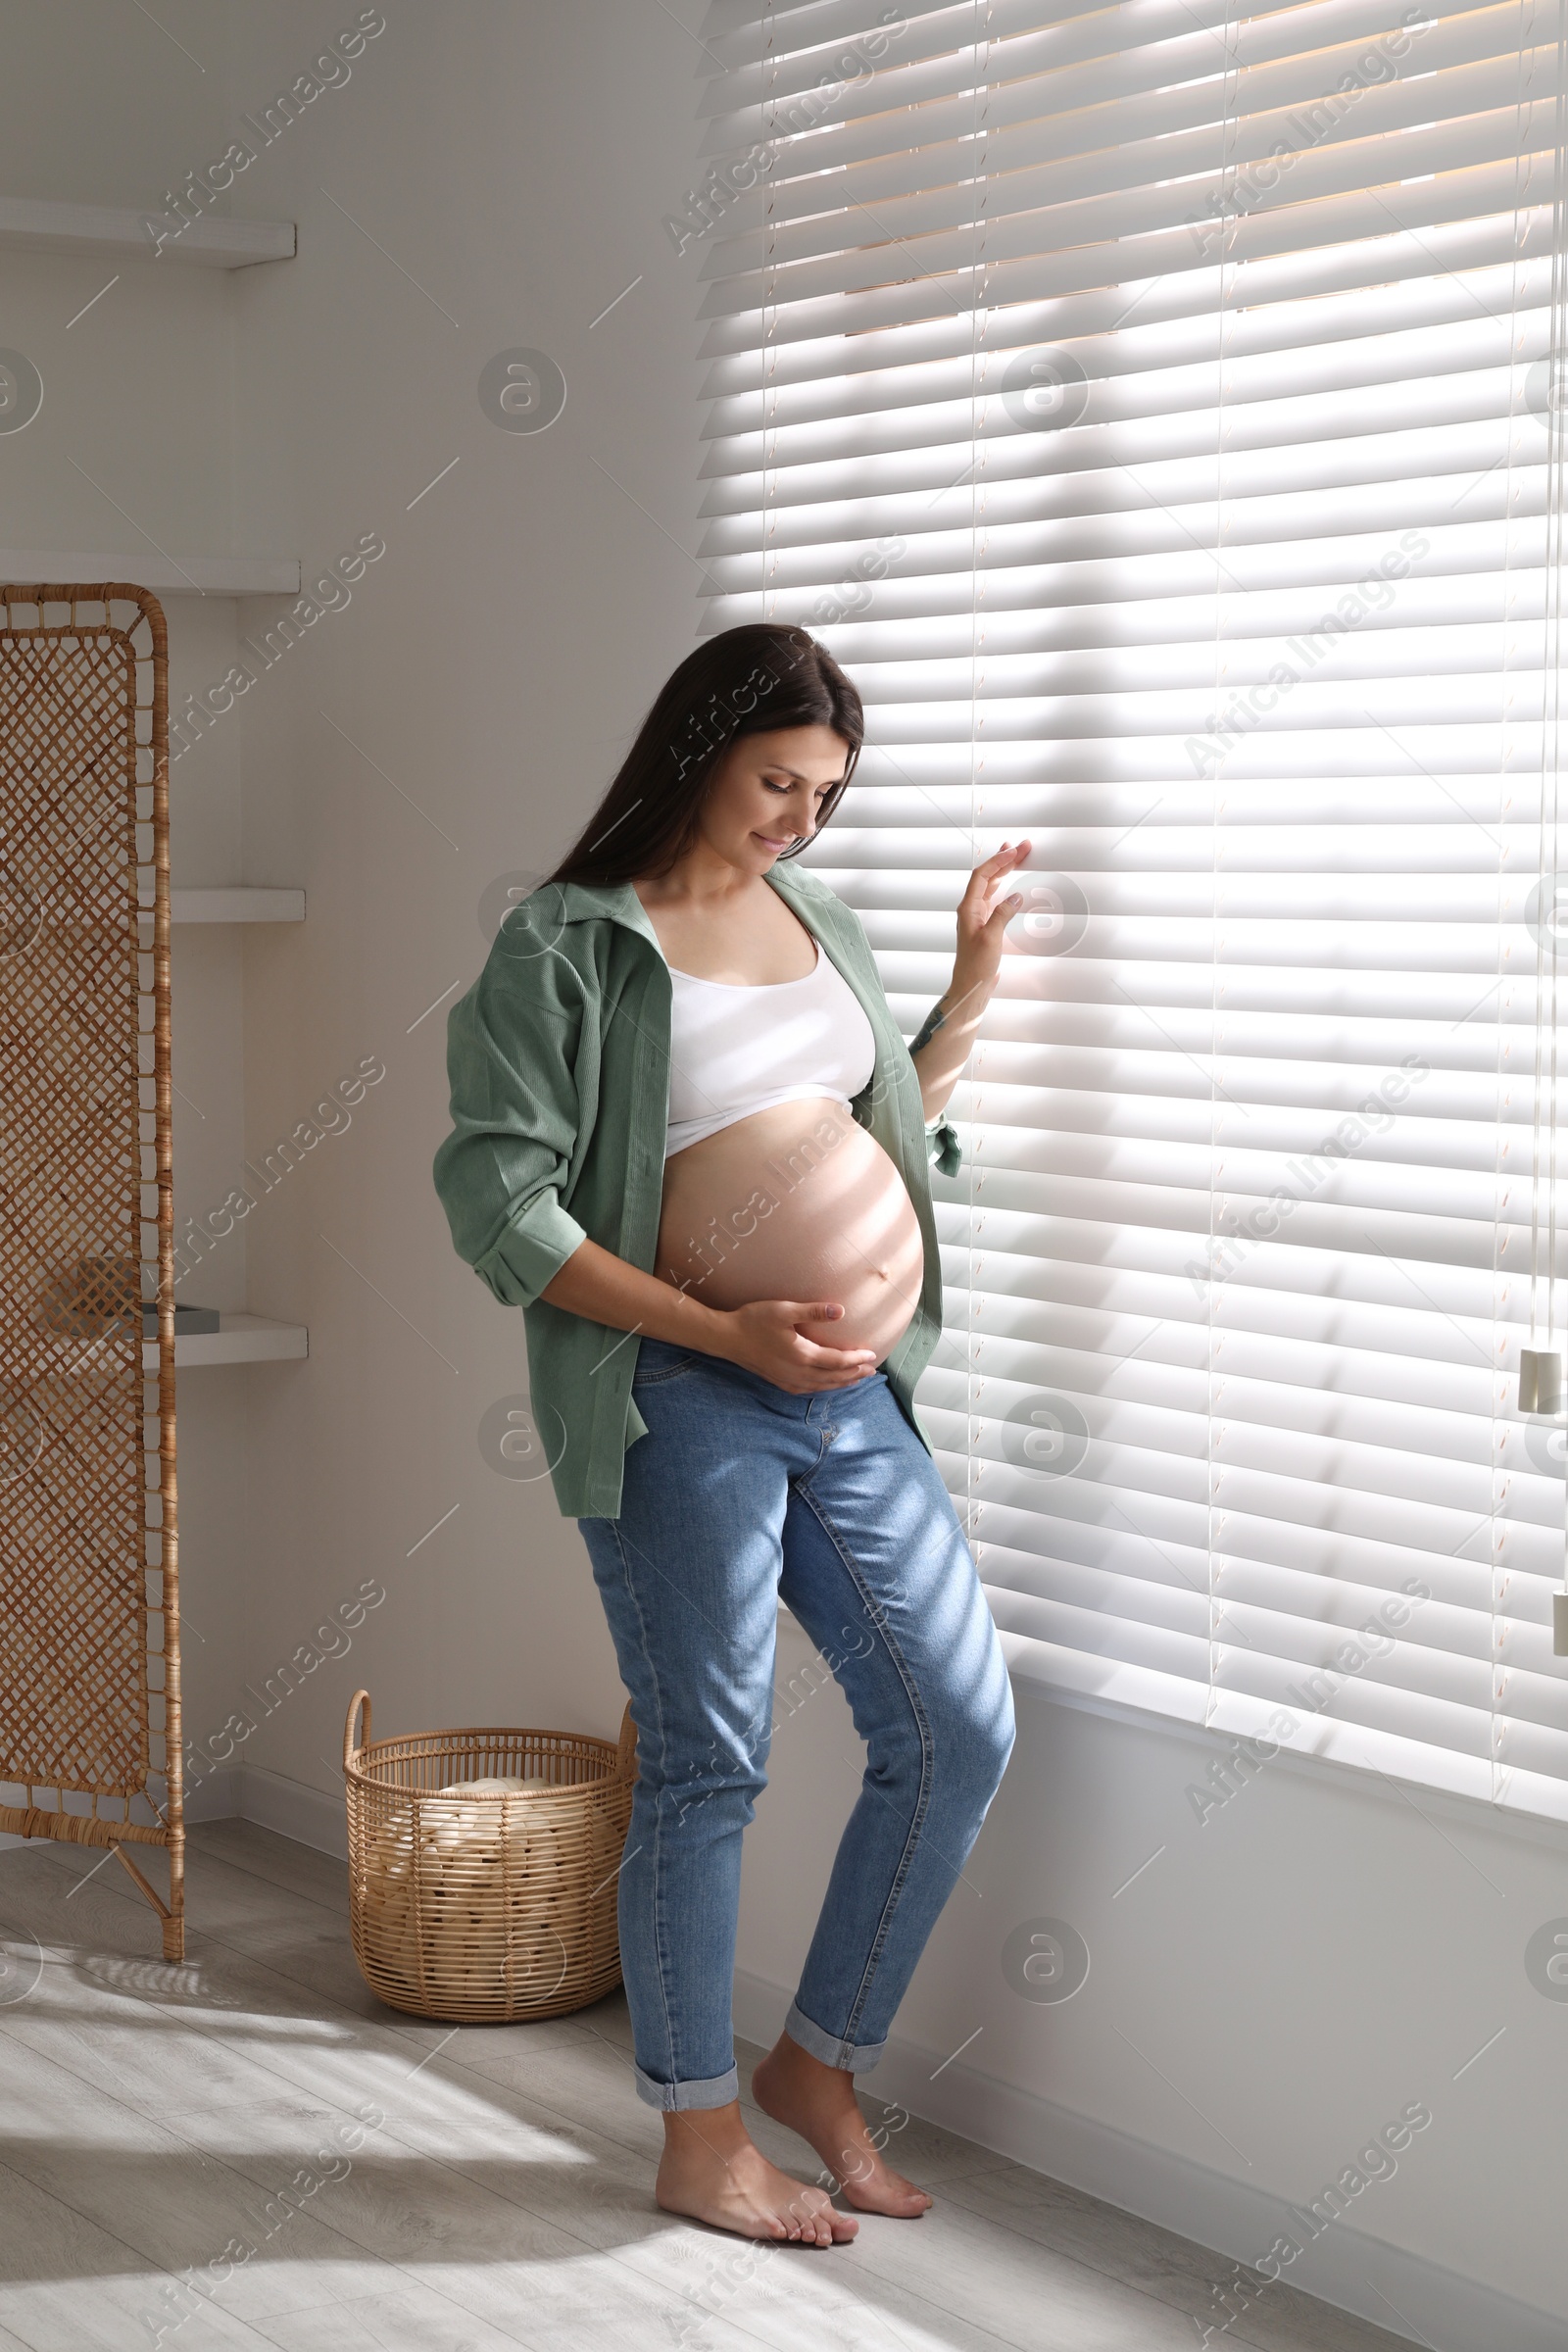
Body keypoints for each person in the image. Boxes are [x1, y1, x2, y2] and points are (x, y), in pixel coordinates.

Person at [434, 623, 1025, 2247]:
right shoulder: (569, 947)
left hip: (849, 1400)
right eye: (778, 781)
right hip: (675, 1387)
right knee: (710, 1763)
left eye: (825, 794)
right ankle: (699, 2135)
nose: (800, 822)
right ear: (697, 750)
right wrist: (723, 1329)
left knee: (957, 1728)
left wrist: (966, 997)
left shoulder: (820, 921)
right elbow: (500, 1204)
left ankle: (817, 2069)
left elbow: (874, 1124)